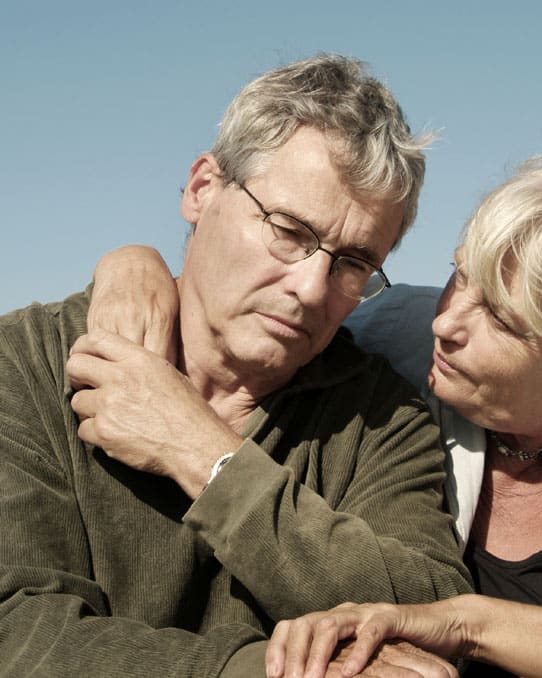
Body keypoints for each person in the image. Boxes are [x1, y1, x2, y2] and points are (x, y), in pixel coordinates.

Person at [96, 151, 542, 677]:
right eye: (462, 274)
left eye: (502, 318)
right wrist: (133, 262)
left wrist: (464, 623)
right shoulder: (400, 331)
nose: (448, 323)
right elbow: (262, 304)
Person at [0, 54, 473, 677]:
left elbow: (433, 614)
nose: (310, 287)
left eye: (353, 262)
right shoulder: (26, 361)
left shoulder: (382, 419)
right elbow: (18, 628)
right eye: (289, 231)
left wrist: (204, 455)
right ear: (202, 189)